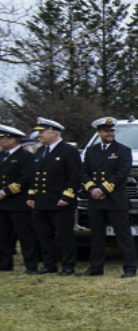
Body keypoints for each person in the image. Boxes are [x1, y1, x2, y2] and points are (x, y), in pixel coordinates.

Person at [79, 117, 137, 278]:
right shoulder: (91, 151)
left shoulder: (123, 150)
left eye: (112, 131)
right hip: (95, 199)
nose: (110, 134)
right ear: (99, 133)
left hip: (115, 199)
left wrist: (103, 189)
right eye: (106, 131)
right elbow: (84, 172)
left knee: (123, 235)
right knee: (97, 236)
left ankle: (130, 267)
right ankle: (96, 267)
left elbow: (122, 174)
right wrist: (91, 188)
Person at [27, 118, 80, 275]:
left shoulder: (68, 150)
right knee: (44, 235)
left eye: (42, 132)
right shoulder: (41, 150)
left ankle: (68, 265)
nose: (38, 135)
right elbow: (35, 175)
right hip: (42, 201)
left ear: (54, 132)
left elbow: (74, 177)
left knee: (64, 236)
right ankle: (49, 264)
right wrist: (31, 195)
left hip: (60, 202)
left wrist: (67, 196)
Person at [0, 123, 40, 274]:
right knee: (3, 235)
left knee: (25, 235)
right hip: (2, 204)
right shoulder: (2, 156)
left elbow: (26, 179)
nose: (0, 141)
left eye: (3, 138)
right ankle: (5, 263)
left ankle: (31, 265)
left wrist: (5, 192)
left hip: (18, 202)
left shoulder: (25, 156)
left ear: (13, 140)